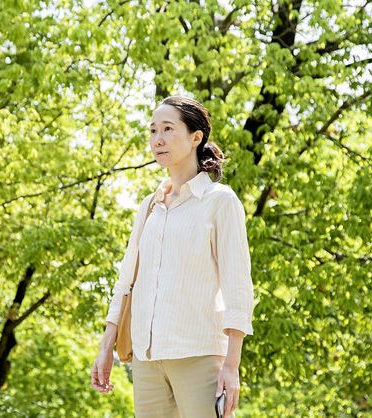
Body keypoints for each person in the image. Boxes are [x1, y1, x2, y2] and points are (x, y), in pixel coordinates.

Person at [90, 96, 255, 418]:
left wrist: (231, 366)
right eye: (152, 131)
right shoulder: (150, 205)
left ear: (196, 137)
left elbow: (238, 288)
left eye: (167, 129)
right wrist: (105, 346)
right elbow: (126, 281)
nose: (157, 140)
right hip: (147, 358)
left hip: (199, 354)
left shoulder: (220, 201)